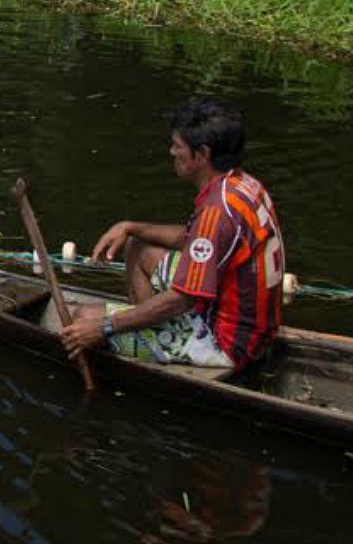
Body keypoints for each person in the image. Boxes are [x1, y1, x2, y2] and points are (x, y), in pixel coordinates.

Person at [60, 98, 285, 371]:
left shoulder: (218, 212)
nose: (171, 152)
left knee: (82, 318)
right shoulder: (243, 185)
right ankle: (150, 333)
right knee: (139, 246)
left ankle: (153, 339)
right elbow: (195, 238)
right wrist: (132, 226)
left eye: (178, 146)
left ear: (201, 155)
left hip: (227, 342)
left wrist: (105, 327)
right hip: (249, 324)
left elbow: (183, 298)